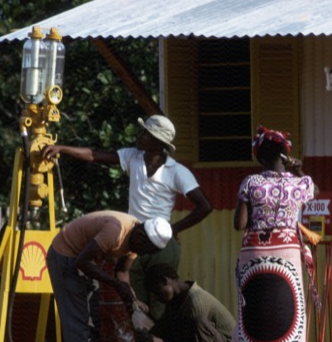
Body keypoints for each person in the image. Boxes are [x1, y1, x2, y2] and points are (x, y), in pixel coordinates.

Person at [42, 115, 212, 312]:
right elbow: (95, 155)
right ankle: (145, 341)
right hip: (136, 240)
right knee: (138, 303)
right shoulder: (133, 157)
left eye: (144, 133)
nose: (139, 135)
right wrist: (62, 149)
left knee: (163, 301)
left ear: (157, 141)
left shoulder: (176, 171)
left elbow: (204, 206)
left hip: (159, 243)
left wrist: (173, 229)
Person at [223, 126, 316, 342]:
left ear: (259, 157)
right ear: (285, 155)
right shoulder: (301, 183)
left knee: (252, 314)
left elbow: (239, 224)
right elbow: (314, 188)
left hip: (254, 252)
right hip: (287, 252)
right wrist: (298, 170)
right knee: (287, 312)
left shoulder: (250, 183)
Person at [46, 210, 172, 342]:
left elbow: (122, 272)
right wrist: (115, 285)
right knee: (78, 322)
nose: (142, 253)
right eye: (145, 249)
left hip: (85, 261)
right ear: (141, 235)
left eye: (148, 252)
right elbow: (82, 261)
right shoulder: (115, 231)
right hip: (66, 257)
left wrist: (133, 304)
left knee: (92, 323)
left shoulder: (137, 241)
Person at [135, 263, 235, 342]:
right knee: (155, 336)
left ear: (166, 281)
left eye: (156, 291)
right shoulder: (175, 302)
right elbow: (162, 331)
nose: (157, 298)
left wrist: (156, 341)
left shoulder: (195, 300)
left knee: (198, 323)